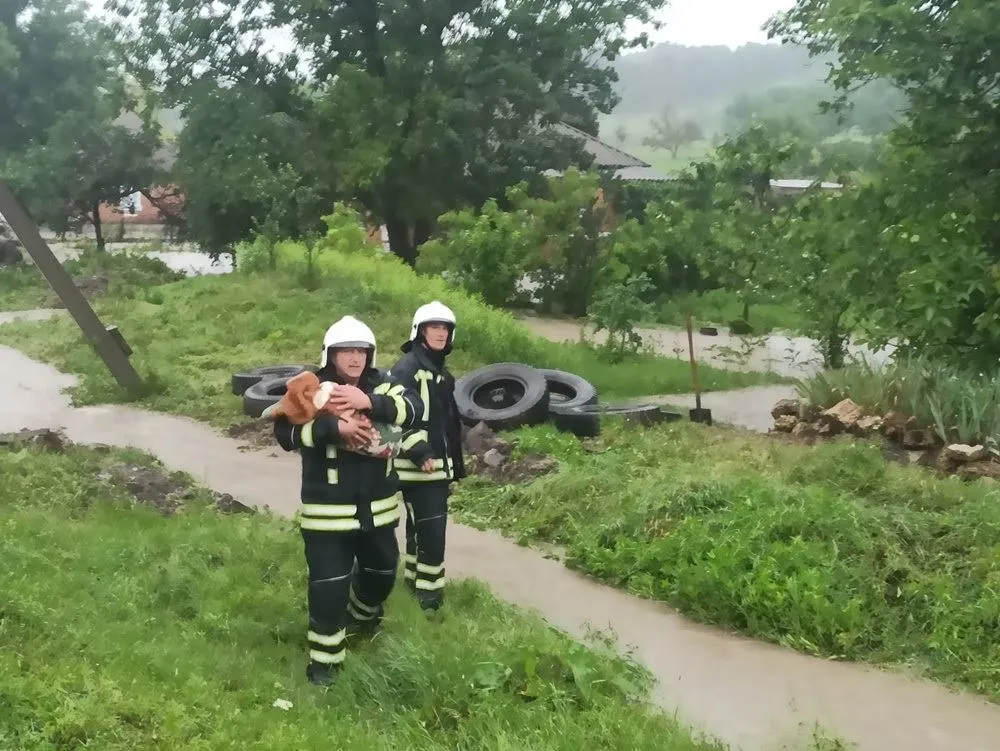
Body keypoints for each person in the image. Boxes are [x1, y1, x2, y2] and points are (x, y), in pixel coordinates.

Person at [273, 315, 421, 685]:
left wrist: (368, 402)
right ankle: (325, 665)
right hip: (327, 516)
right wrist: (331, 428)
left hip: (379, 512)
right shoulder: (311, 388)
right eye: (346, 351)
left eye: (361, 351)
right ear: (330, 354)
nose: (355, 358)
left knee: (383, 573)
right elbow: (284, 431)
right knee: (328, 588)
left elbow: (414, 410)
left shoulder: (384, 384)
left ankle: (362, 616)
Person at [388, 301, 466, 612]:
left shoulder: (442, 375)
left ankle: (415, 587)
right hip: (414, 466)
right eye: (434, 327)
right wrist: (420, 451)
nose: (440, 332)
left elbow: (447, 426)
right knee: (431, 535)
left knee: (420, 533)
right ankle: (431, 603)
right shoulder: (405, 368)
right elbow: (394, 414)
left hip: (435, 468)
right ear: (420, 331)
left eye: (445, 328)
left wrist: (454, 467)